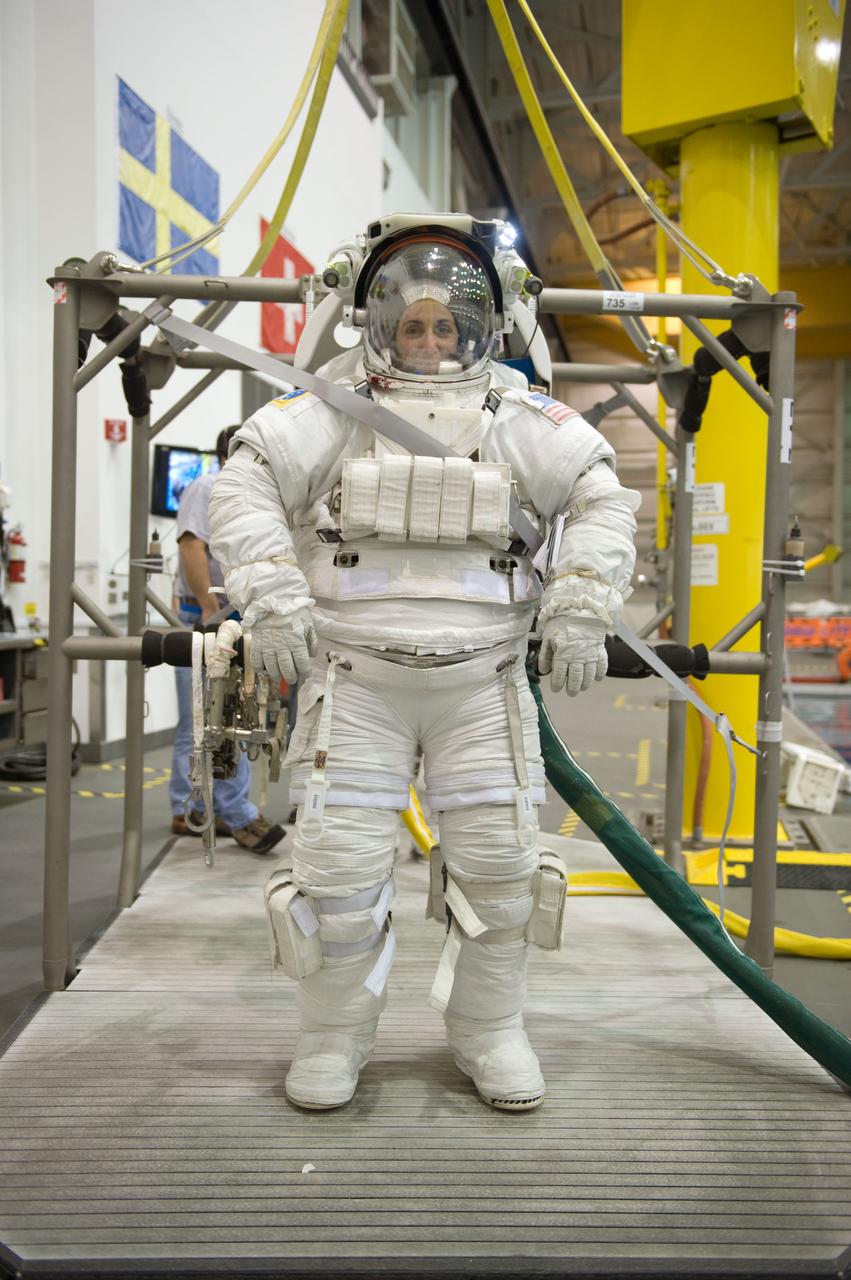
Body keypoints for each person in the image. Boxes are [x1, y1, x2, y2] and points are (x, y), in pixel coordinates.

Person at [209, 216, 639, 1110]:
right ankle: (334, 1039)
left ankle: (488, 1032)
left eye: (447, 325)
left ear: (480, 327)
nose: (430, 340)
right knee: (337, 877)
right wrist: (274, 594)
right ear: (376, 323)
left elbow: (599, 494)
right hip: (356, 684)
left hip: (480, 685)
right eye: (413, 325)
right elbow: (243, 480)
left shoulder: (520, 417)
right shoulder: (325, 411)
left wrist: (581, 600)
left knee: (500, 872)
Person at [170, 425, 285, 856]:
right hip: (211, 616)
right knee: (210, 719)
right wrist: (206, 607)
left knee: (224, 717)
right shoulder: (208, 486)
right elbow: (191, 547)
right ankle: (234, 815)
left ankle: (194, 808)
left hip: (237, 615)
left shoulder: (253, 496)